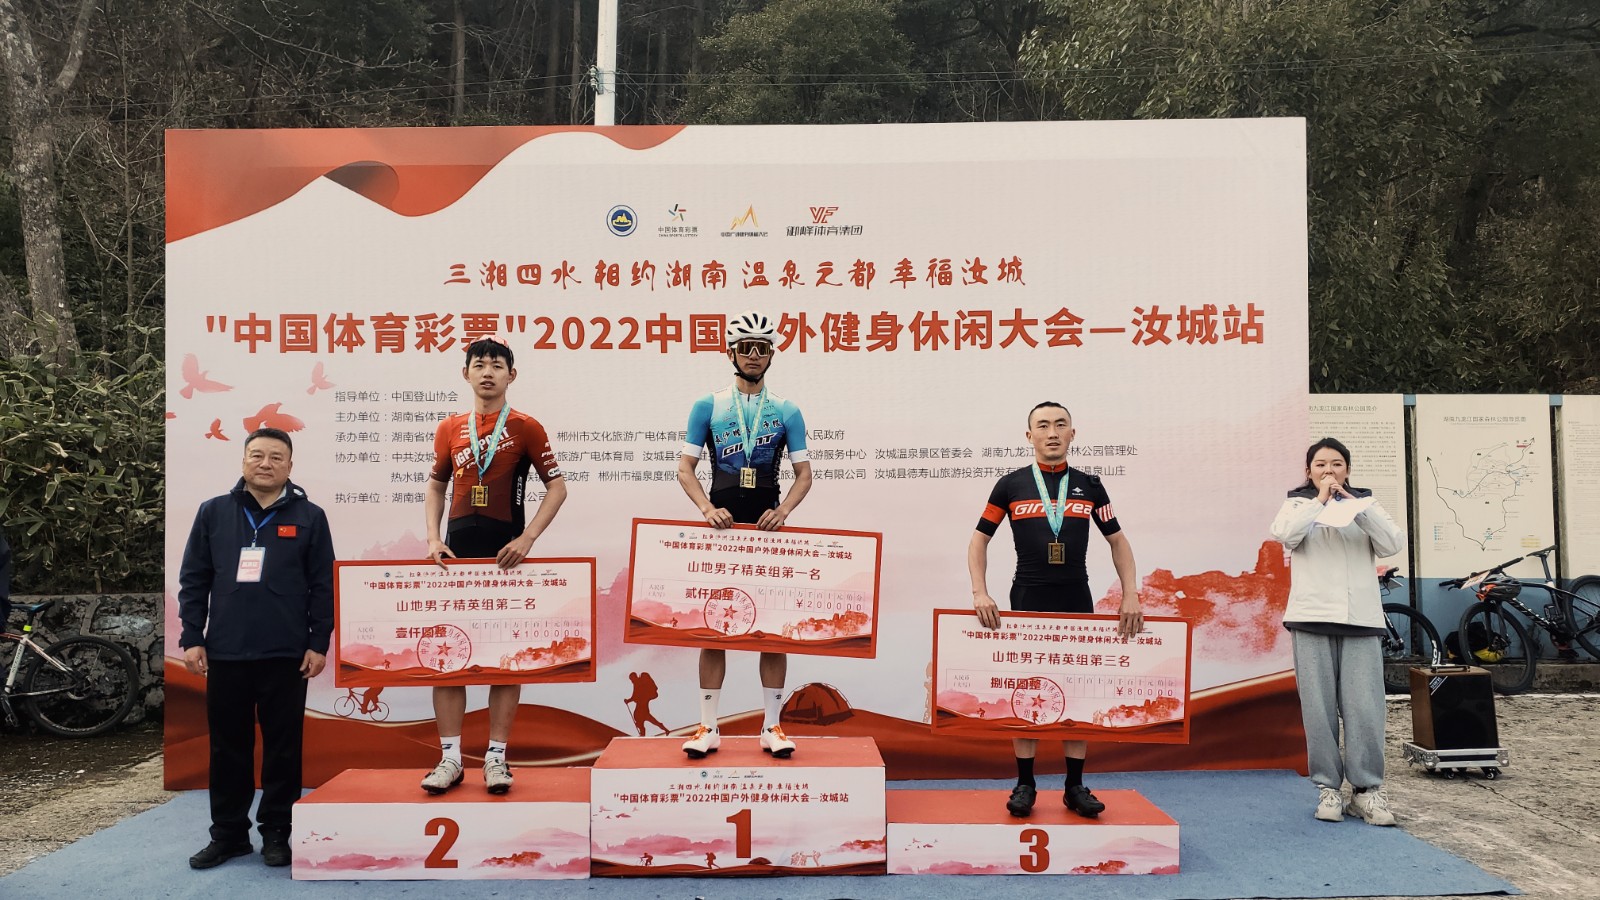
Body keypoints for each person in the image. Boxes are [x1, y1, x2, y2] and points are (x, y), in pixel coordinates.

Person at [968, 402, 1143, 818]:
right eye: (1043, 425)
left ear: (1072, 433)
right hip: (1027, 598)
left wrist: (1130, 594)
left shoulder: (1089, 486)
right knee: (1027, 688)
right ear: (1029, 436)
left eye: (1060, 425)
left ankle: (1074, 785)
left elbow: (1118, 540)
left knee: (1077, 689)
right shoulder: (1010, 485)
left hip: (1076, 598)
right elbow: (978, 540)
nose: (1052, 432)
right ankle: (1025, 783)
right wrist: (980, 593)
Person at [177, 427, 335, 870]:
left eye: (276, 457)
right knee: (228, 748)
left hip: (287, 654)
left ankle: (277, 833)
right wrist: (192, 636)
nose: (265, 464)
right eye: (257, 455)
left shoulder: (310, 516)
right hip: (225, 651)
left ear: (290, 466)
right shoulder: (213, 512)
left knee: (284, 749)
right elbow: (194, 579)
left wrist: (318, 642)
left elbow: (324, 585)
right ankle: (228, 835)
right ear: (244, 461)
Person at [422, 336, 567, 795]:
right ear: (465, 373)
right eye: (480, 364)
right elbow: (436, 486)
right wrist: (434, 539)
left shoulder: (526, 426)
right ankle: (450, 758)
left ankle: (497, 758)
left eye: (497, 365)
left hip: (506, 560)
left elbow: (558, 487)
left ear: (511, 375)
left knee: (506, 660)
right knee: (450, 658)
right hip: (458, 560)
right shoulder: (449, 428)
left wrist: (527, 539)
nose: (488, 372)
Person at [676, 311, 812, 759]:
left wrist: (784, 511)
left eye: (762, 348)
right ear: (730, 353)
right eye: (745, 348)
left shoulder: (788, 409)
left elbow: (804, 474)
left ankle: (772, 726)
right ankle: (707, 727)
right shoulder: (708, 405)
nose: (754, 355)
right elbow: (685, 468)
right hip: (724, 531)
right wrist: (706, 508)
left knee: (772, 633)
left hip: (767, 533)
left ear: (772, 354)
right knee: (714, 629)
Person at [1270, 437, 1403, 826]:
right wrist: (1320, 502)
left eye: (1337, 464)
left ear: (1348, 469)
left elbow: (1392, 543)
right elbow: (1286, 535)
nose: (1329, 471)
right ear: (1308, 471)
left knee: (1365, 708)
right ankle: (1327, 787)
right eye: (1321, 465)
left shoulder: (1366, 503)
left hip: (1360, 619)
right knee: (1318, 709)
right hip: (1311, 617)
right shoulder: (1298, 504)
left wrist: (1356, 508)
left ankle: (1366, 791)